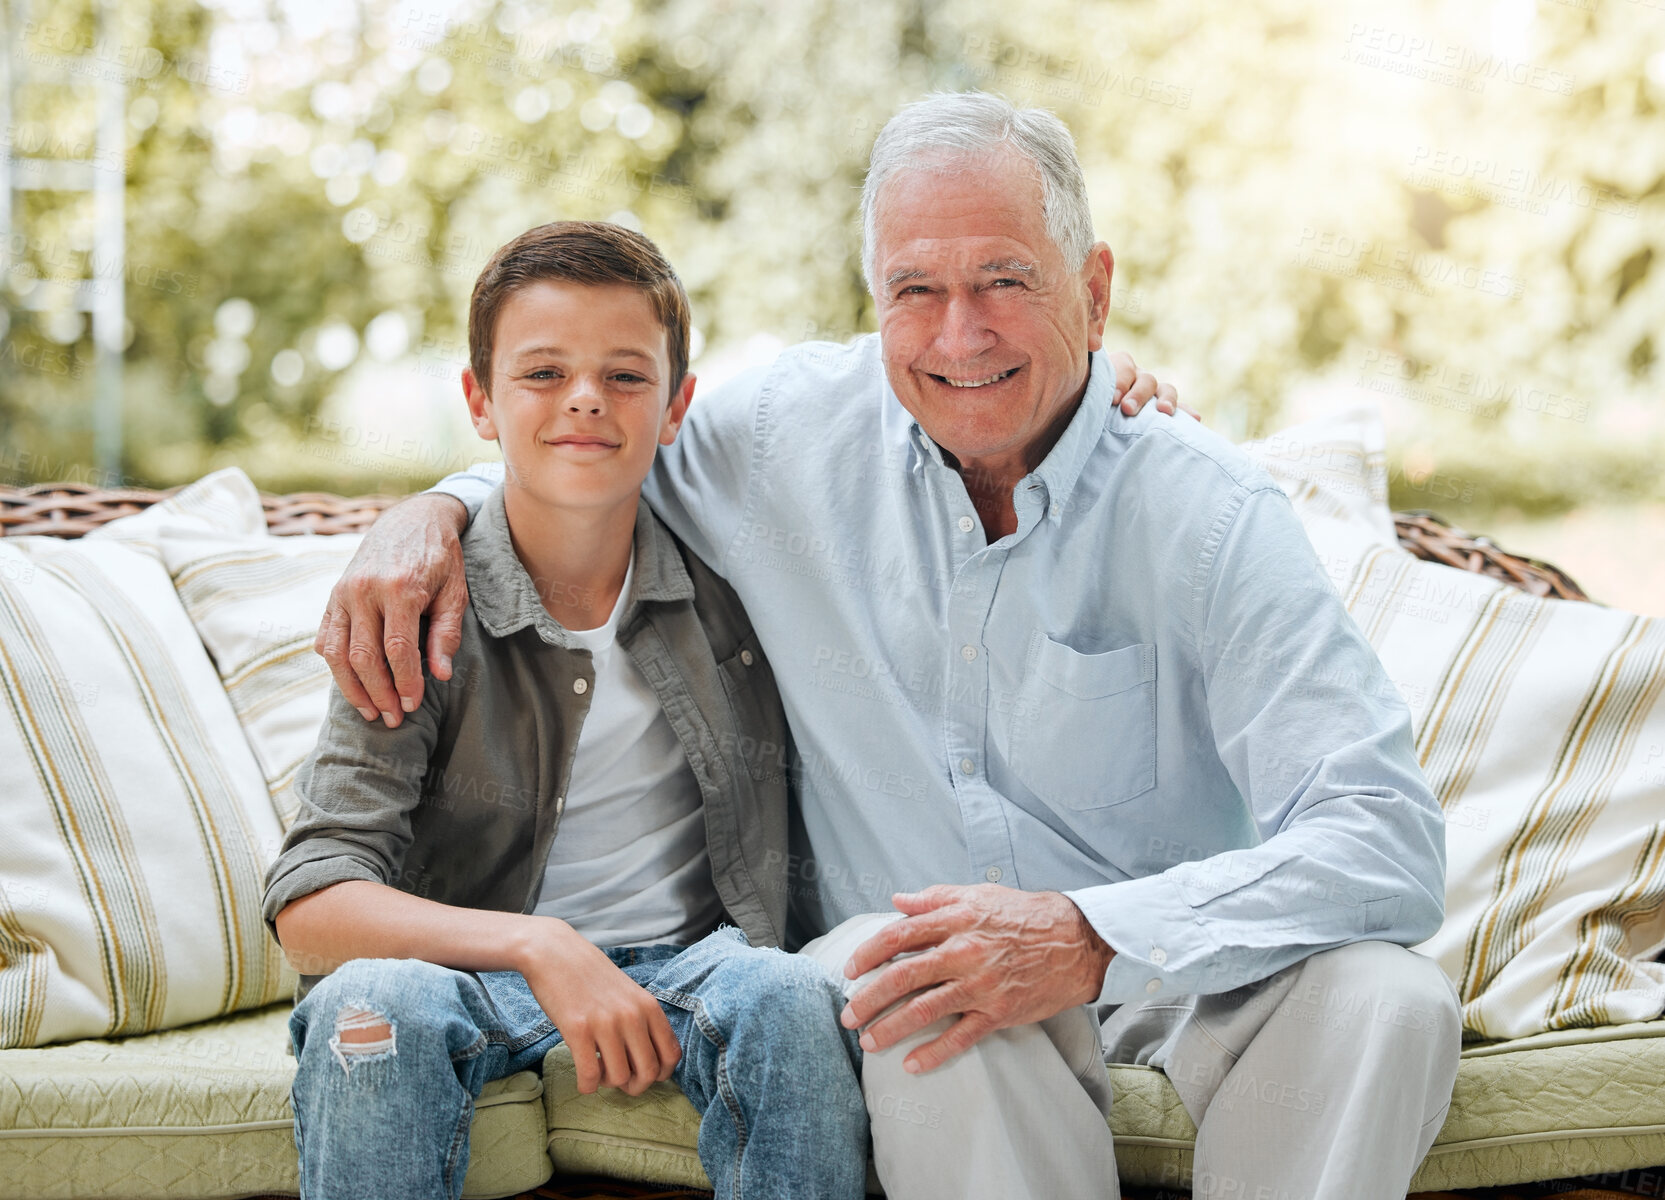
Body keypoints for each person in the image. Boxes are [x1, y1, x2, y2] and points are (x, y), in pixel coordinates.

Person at [320, 92, 1461, 1200]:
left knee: (1389, 1000)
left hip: (1182, 968)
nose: (960, 335)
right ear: (873, 299)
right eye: (915, 290)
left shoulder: (1209, 511)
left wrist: (1090, 934)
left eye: (1005, 280)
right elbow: (585, 441)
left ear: (1095, 290)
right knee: (921, 984)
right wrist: (435, 512)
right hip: (926, 981)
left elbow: (1386, 840)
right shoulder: (784, 439)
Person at [263, 220, 869, 1200]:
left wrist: (1098, 374)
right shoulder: (418, 605)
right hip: (466, 971)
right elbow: (311, 906)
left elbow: (924, 432)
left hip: (693, 965)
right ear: (480, 401)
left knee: (789, 999)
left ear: (676, 407)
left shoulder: (742, 581)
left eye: (626, 377)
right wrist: (540, 946)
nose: (586, 397)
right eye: (543, 373)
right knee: (371, 1007)